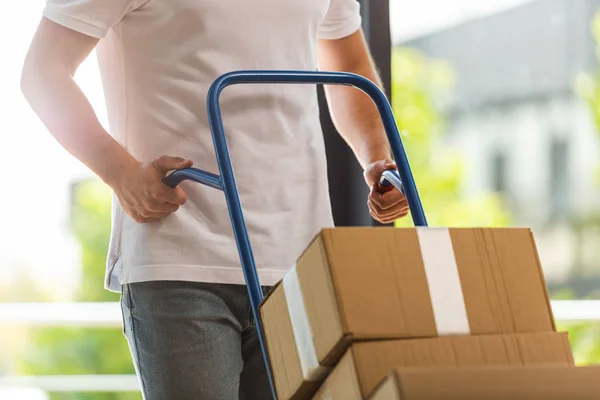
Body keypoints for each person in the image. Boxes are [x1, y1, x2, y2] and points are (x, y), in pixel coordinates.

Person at [21, 0, 409, 398]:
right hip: (179, 257)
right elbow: (43, 71)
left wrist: (379, 157)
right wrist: (121, 173)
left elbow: (349, 65)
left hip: (300, 261)